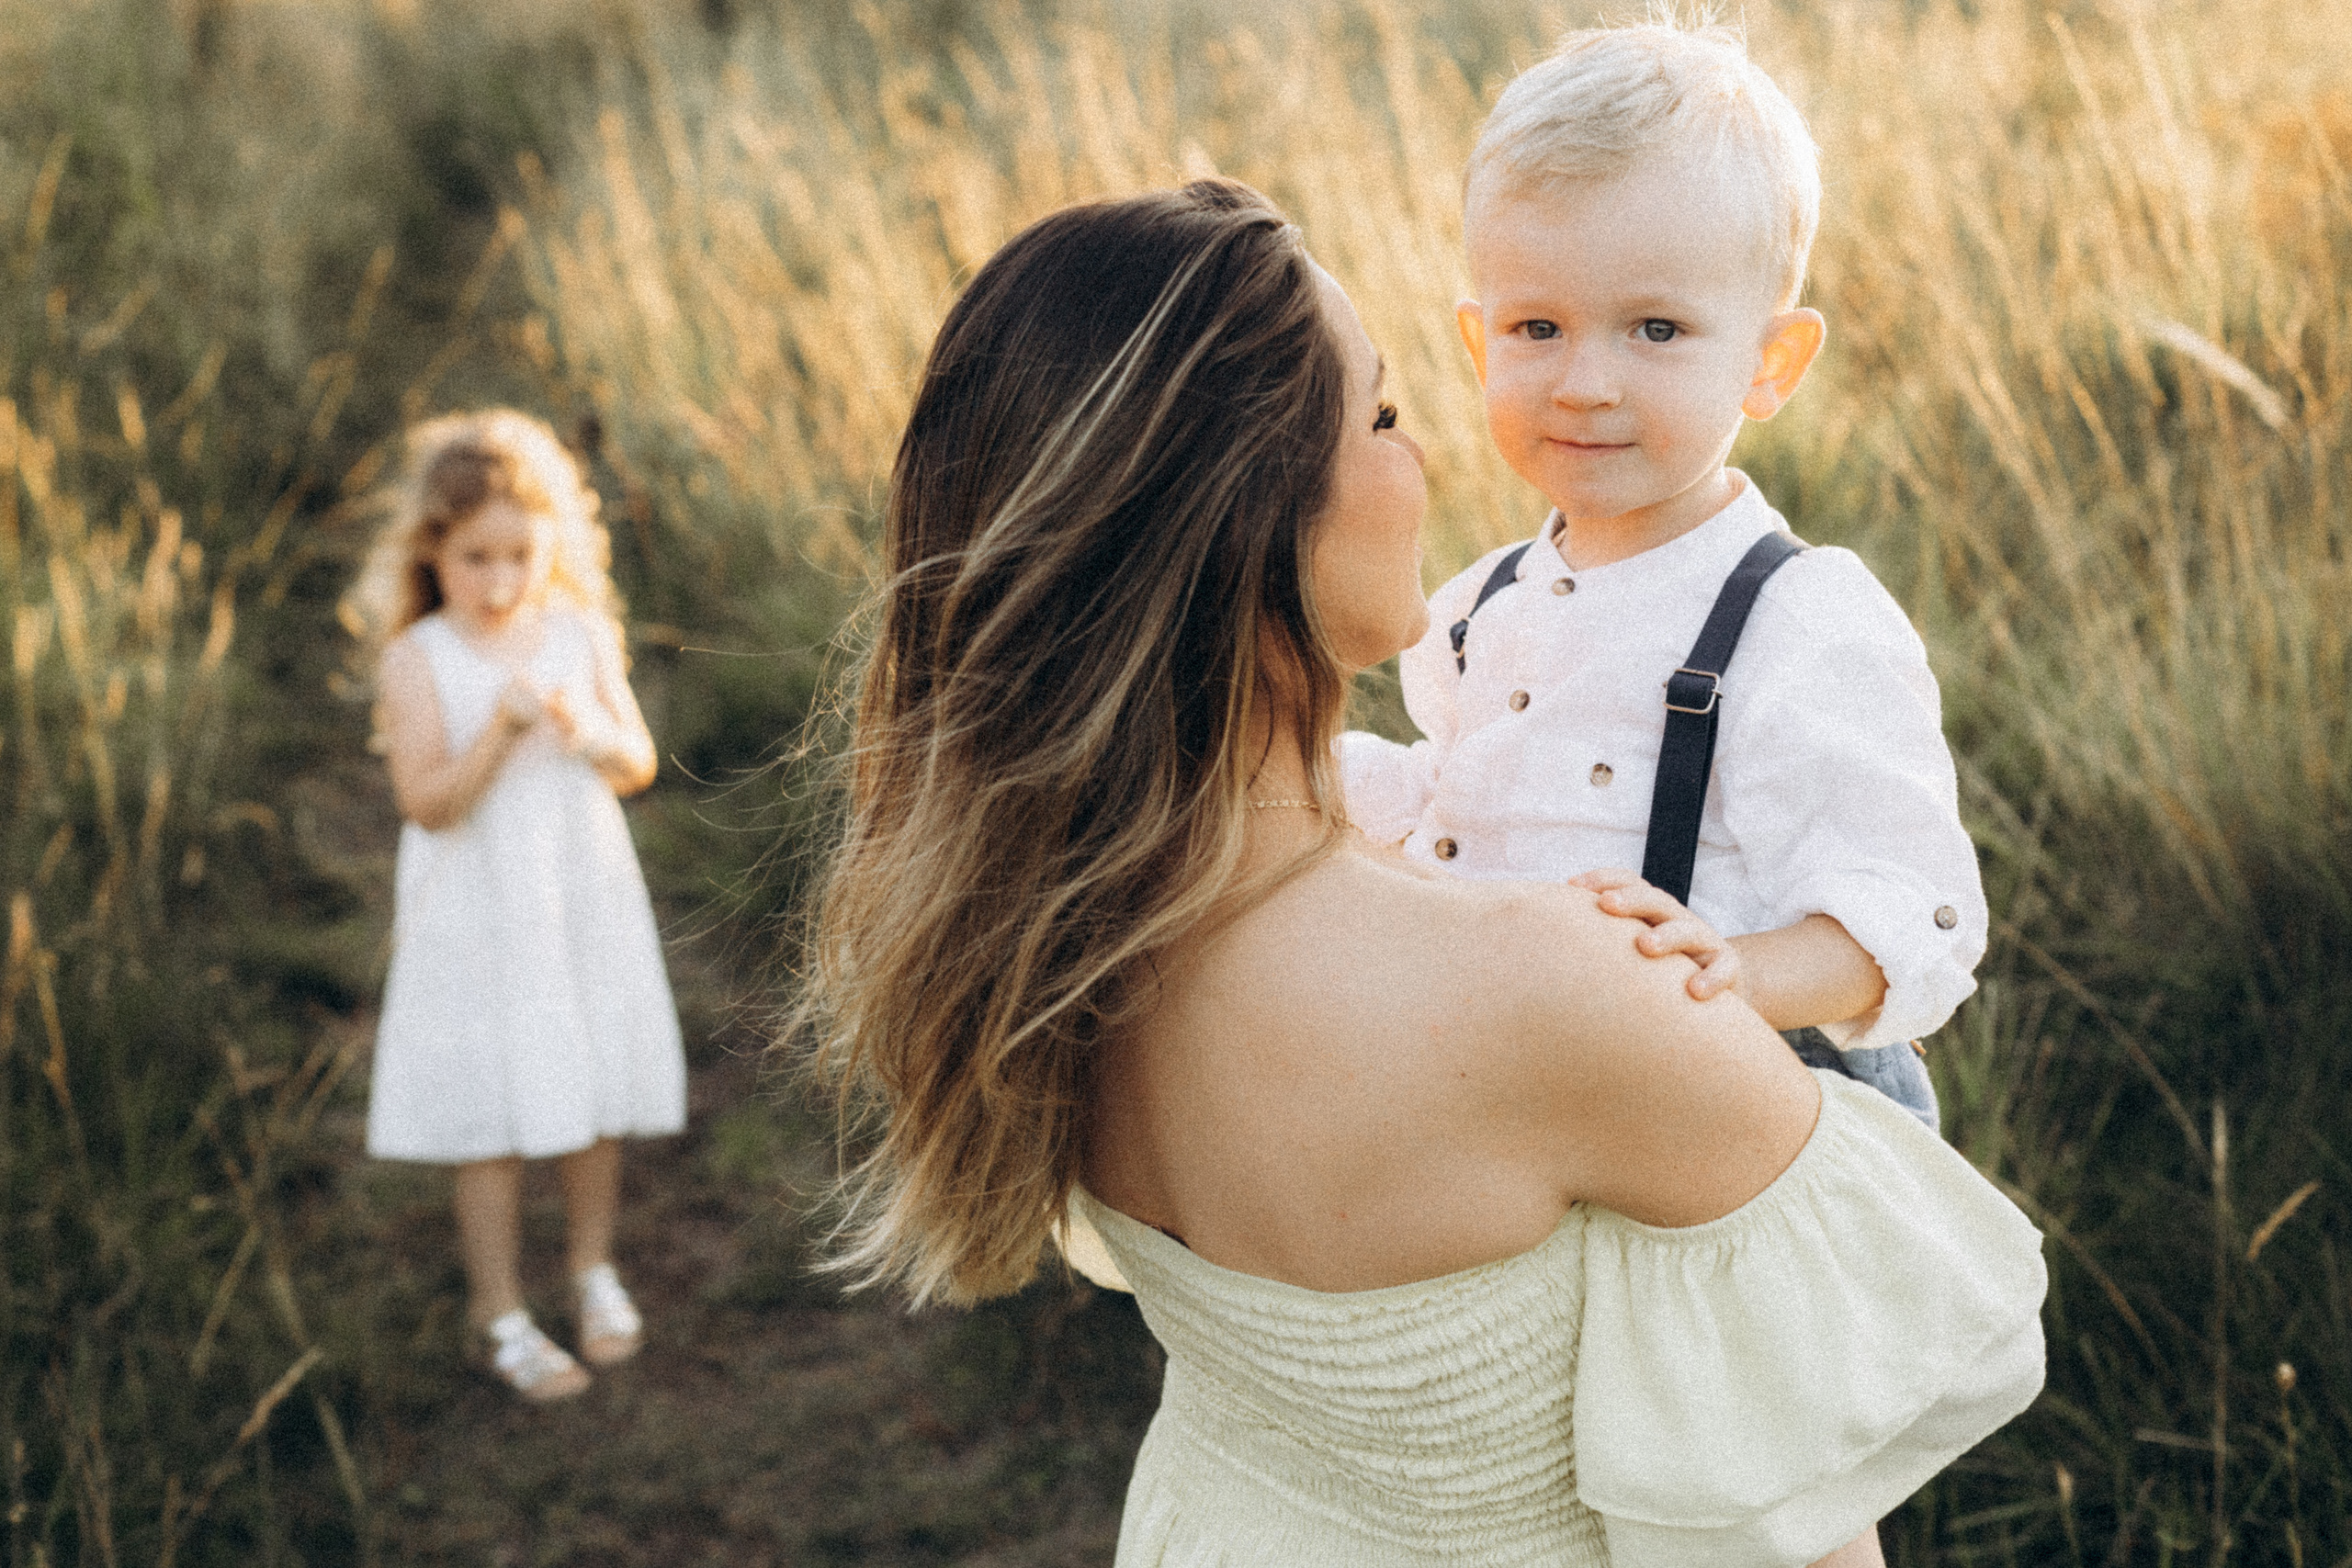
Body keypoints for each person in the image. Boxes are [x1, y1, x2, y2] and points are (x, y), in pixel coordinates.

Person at [799, 179, 2045, 1565]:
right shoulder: (1570, 993)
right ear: (1248, 517)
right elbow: (1805, 1516)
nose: (1430, 458)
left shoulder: (1043, 935)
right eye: (1383, 414)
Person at [1342, 20, 1980, 1130]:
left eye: (1655, 329)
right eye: (1537, 326)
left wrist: (1730, 973)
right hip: (1536, 1095)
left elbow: (1912, 911)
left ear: (1767, 364)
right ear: (1479, 344)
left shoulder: (1797, 619)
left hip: (1745, 1117)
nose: (1586, 382)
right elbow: (1467, 803)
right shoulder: (1480, 603)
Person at [345, 409, 684, 1404]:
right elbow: (426, 804)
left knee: (588, 1087)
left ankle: (592, 1269)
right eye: (474, 558)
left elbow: (637, 764)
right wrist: (497, 732)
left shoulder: (577, 632)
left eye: (519, 557)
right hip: (477, 918)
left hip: (577, 898)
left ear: (552, 549)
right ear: (433, 553)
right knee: (489, 1113)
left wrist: (584, 732)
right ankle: (500, 1311)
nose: (499, 583)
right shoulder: (419, 660)